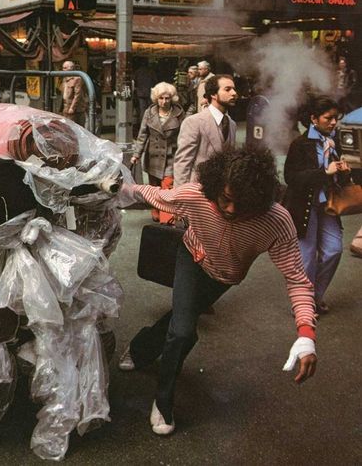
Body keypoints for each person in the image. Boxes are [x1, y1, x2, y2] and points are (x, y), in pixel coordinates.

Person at [118, 148, 317, 435]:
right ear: (214, 188)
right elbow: (151, 194)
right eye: (225, 198)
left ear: (260, 198)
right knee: (184, 330)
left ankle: (140, 348)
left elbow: (297, 278)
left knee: (180, 321)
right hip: (191, 257)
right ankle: (163, 401)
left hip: (223, 278)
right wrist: (111, 186)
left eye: (243, 203)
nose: (232, 209)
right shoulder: (196, 195)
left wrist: (306, 334)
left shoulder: (276, 220)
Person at [283, 95, 350, 316]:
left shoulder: (335, 142)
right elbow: (291, 177)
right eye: (328, 118)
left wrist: (344, 173)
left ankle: (315, 296)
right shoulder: (299, 144)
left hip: (328, 204)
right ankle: (303, 304)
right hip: (304, 206)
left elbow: (339, 178)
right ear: (313, 118)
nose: (333, 123)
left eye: (336, 118)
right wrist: (325, 172)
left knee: (334, 250)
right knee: (307, 256)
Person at [130, 82, 185, 223]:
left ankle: (166, 219)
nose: (164, 102)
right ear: (156, 98)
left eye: (167, 98)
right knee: (154, 187)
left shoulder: (179, 113)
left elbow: (185, 135)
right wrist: (137, 154)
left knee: (167, 186)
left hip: (171, 156)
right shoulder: (150, 112)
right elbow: (143, 134)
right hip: (152, 155)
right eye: (161, 98)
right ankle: (156, 211)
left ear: (172, 98)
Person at [173, 74, 238, 186]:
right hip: (198, 190)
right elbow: (183, 163)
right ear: (213, 94)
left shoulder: (232, 124)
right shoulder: (194, 122)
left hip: (221, 192)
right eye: (227, 89)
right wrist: (180, 195)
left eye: (234, 89)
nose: (234, 93)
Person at [60, 60, 88, 126]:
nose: (63, 70)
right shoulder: (65, 79)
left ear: (71, 68)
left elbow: (77, 95)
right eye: (63, 68)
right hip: (66, 107)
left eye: (65, 68)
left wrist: (72, 108)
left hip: (75, 109)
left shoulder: (77, 79)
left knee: (76, 127)